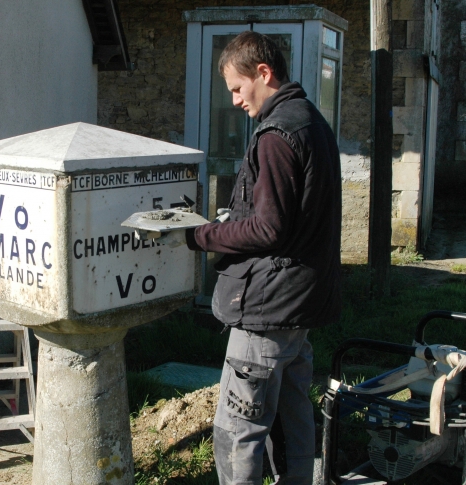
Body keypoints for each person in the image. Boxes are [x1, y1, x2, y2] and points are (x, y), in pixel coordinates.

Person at [158, 31, 341, 484]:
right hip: (300, 306)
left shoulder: (276, 136)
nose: (236, 100)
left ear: (264, 73)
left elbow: (268, 227)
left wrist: (199, 235)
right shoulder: (313, 122)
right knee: (295, 419)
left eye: (238, 89)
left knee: (238, 431)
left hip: (266, 310)